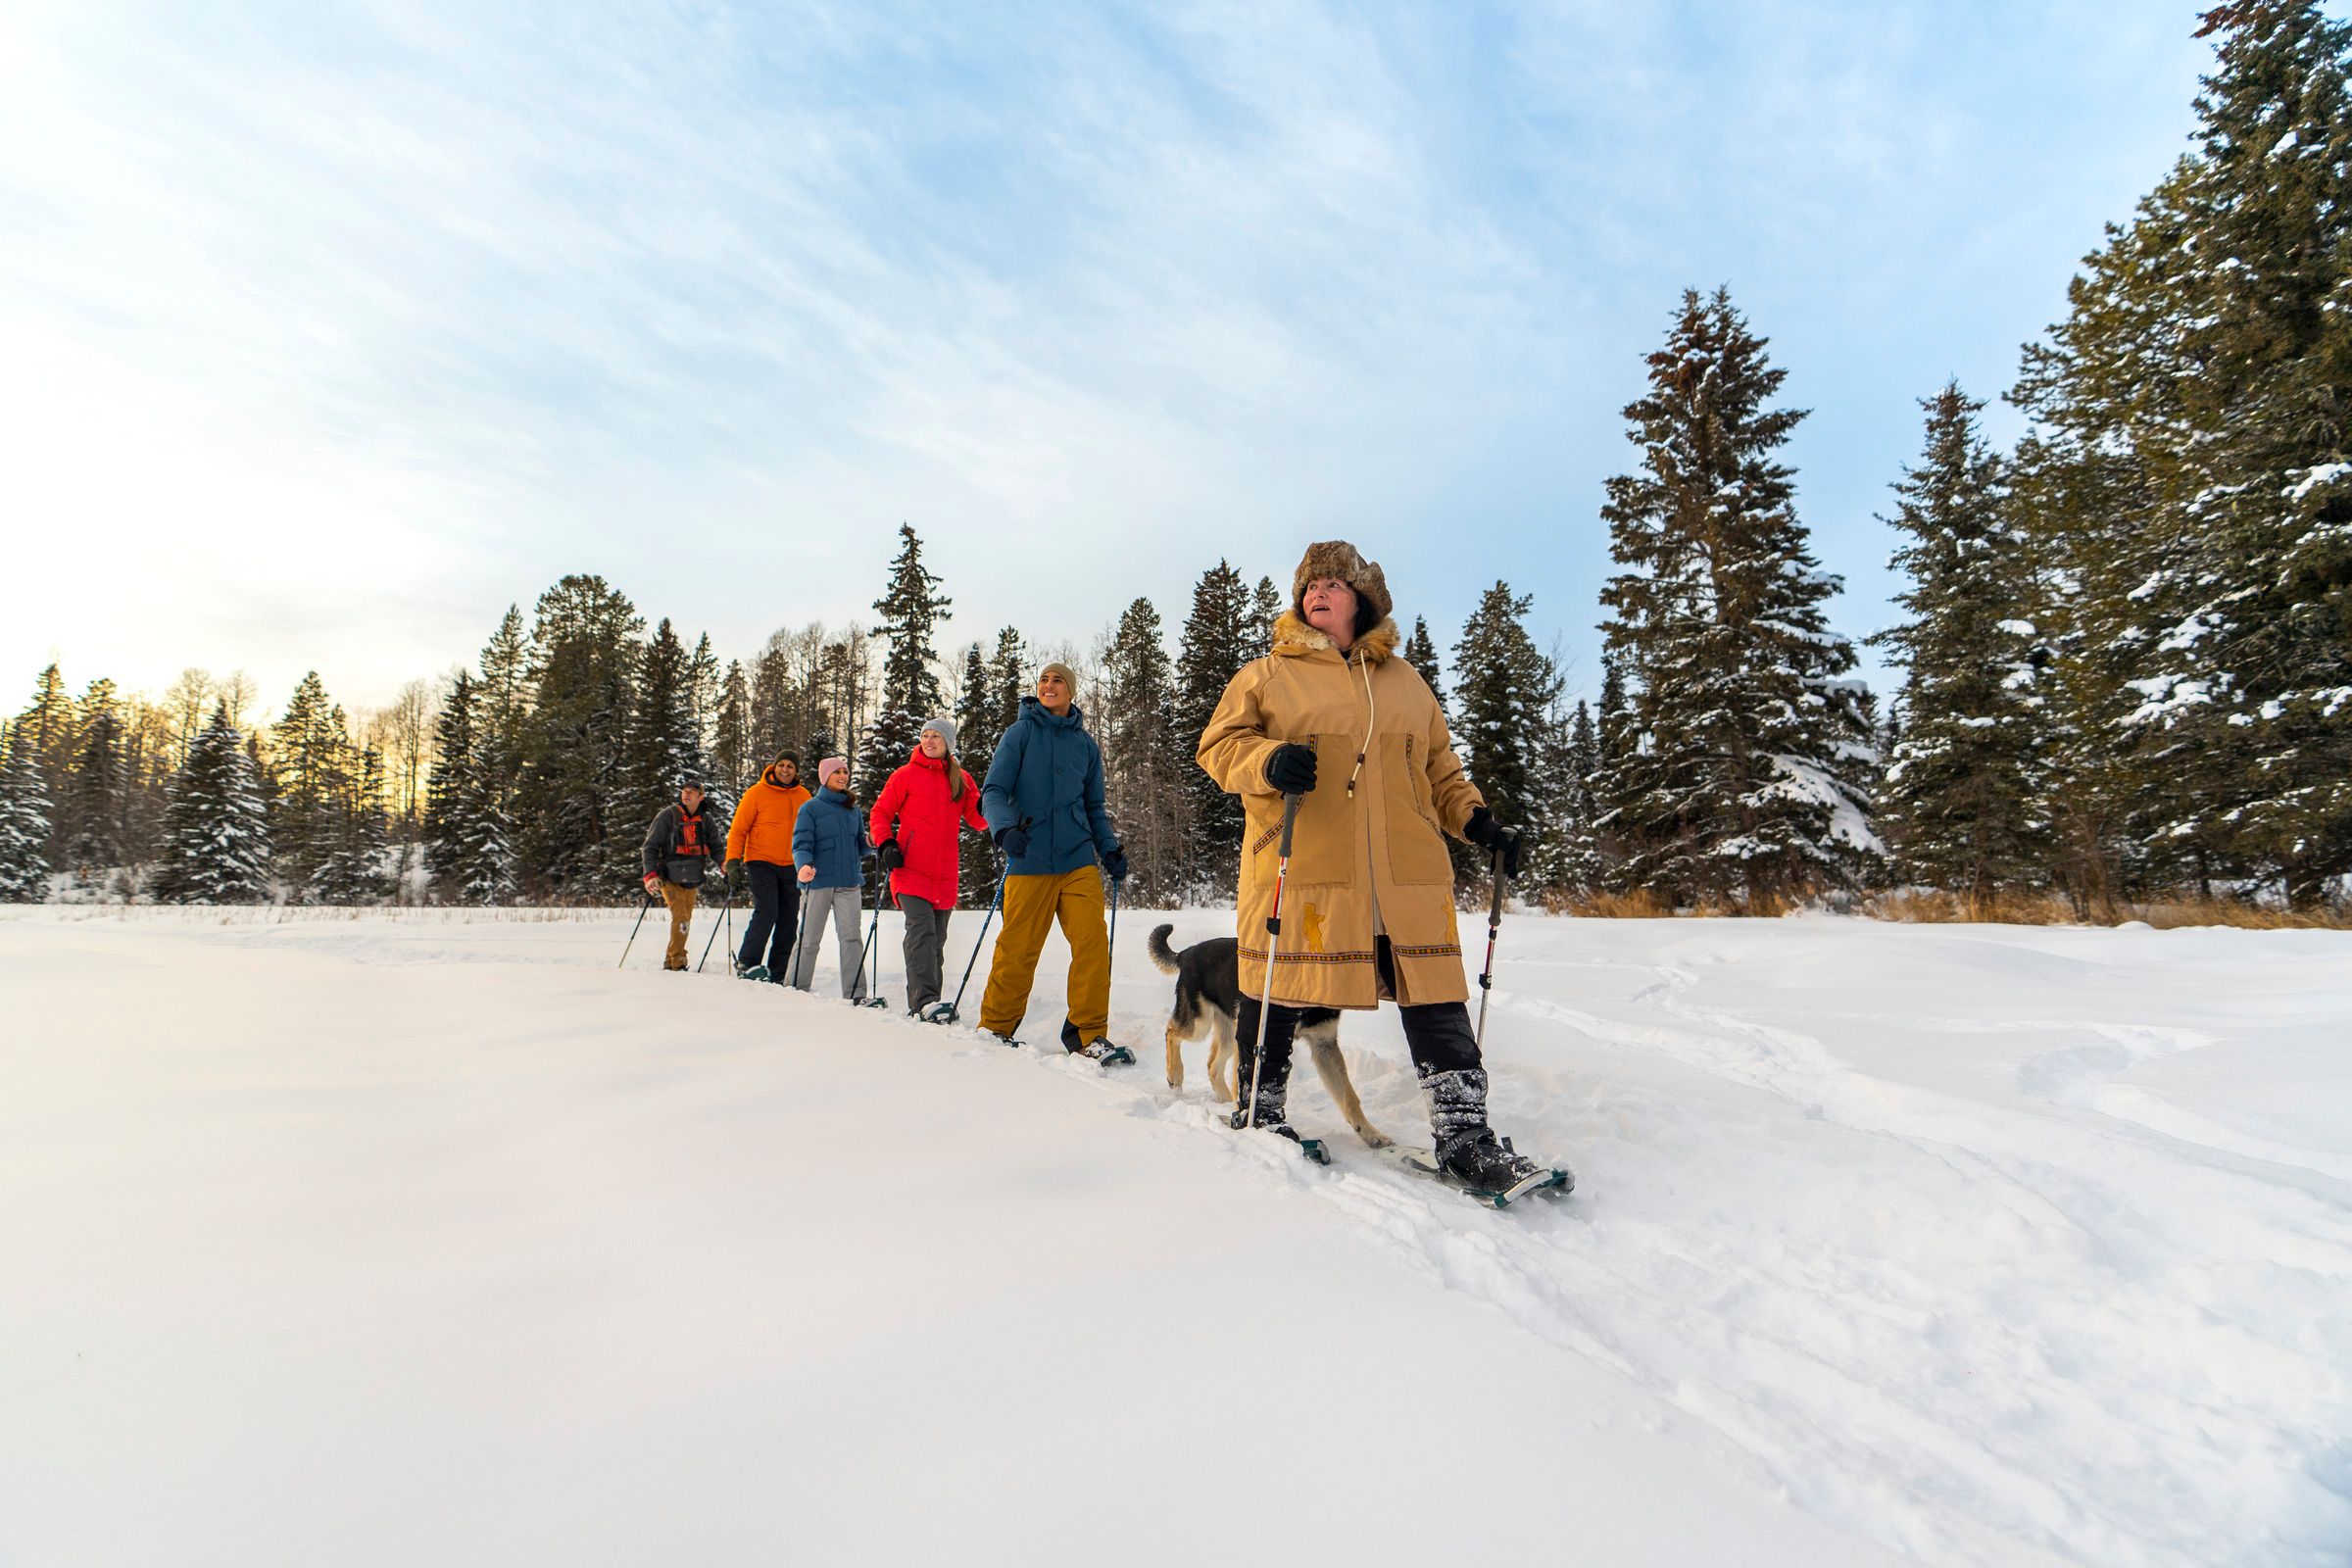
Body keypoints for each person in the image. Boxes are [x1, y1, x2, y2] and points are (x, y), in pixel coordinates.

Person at [1197, 540, 1551, 1191]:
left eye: (1332, 583)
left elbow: (1441, 769)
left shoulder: (1406, 681)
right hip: (1303, 862)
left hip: (1404, 873)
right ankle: (1259, 1109)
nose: (1317, 593)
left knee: (1435, 991)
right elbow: (1219, 748)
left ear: (1362, 599)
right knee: (1278, 984)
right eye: (1309, 586)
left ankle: (1464, 1135)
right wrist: (1268, 760)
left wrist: (1477, 822)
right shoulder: (1268, 676)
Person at [978, 662, 1130, 1056]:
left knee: (1093, 944)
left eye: (1057, 680)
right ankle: (995, 1028)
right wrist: (1004, 829)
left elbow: (1094, 807)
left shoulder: (1086, 746)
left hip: (1077, 859)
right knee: (1018, 948)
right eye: (1044, 679)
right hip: (1028, 857)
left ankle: (1087, 1035)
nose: (1049, 685)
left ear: (1071, 690)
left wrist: (1108, 848)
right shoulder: (1020, 733)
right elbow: (993, 790)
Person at [869, 716, 988, 1017]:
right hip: (909, 868)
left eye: (936, 736)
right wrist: (886, 844)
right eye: (925, 735)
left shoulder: (960, 778)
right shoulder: (905, 775)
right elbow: (880, 813)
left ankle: (931, 1003)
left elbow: (978, 819)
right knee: (921, 933)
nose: (929, 741)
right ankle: (924, 1002)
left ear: (948, 743)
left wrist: (998, 807)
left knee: (937, 940)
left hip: (945, 875)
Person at [789, 756, 873, 1002]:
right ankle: (794, 988)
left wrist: (870, 842)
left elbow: (859, 844)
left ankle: (856, 994)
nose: (843, 776)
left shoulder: (853, 810)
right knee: (809, 938)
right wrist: (803, 865)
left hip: (849, 882)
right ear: (825, 777)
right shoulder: (811, 808)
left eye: (845, 771)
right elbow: (801, 843)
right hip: (818, 882)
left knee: (852, 939)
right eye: (837, 772)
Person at [724, 751, 811, 982]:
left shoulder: (804, 796)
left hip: (793, 865)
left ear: (796, 771)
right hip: (760, 861)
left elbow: (812, 832)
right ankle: (748, 962)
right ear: (773, 767)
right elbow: (738, 830)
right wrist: (732, 861)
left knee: (789, 917)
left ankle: (779, 969)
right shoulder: (756, 793)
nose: (785, 770)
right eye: (781, 765)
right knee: (768, 909)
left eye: (790, 766)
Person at [641, 775, 723, 973]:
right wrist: (649, 874)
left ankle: (670, 961)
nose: (686, 794)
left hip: (692, 877)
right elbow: (649, 846)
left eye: (692, 791)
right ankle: (678, 962)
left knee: (685, 918)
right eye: (684, 791)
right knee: (681, 917)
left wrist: (724, 863)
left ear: (700, 797)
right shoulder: (667, 816)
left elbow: (716, 847)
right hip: (667, 876)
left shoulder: (705, 820)